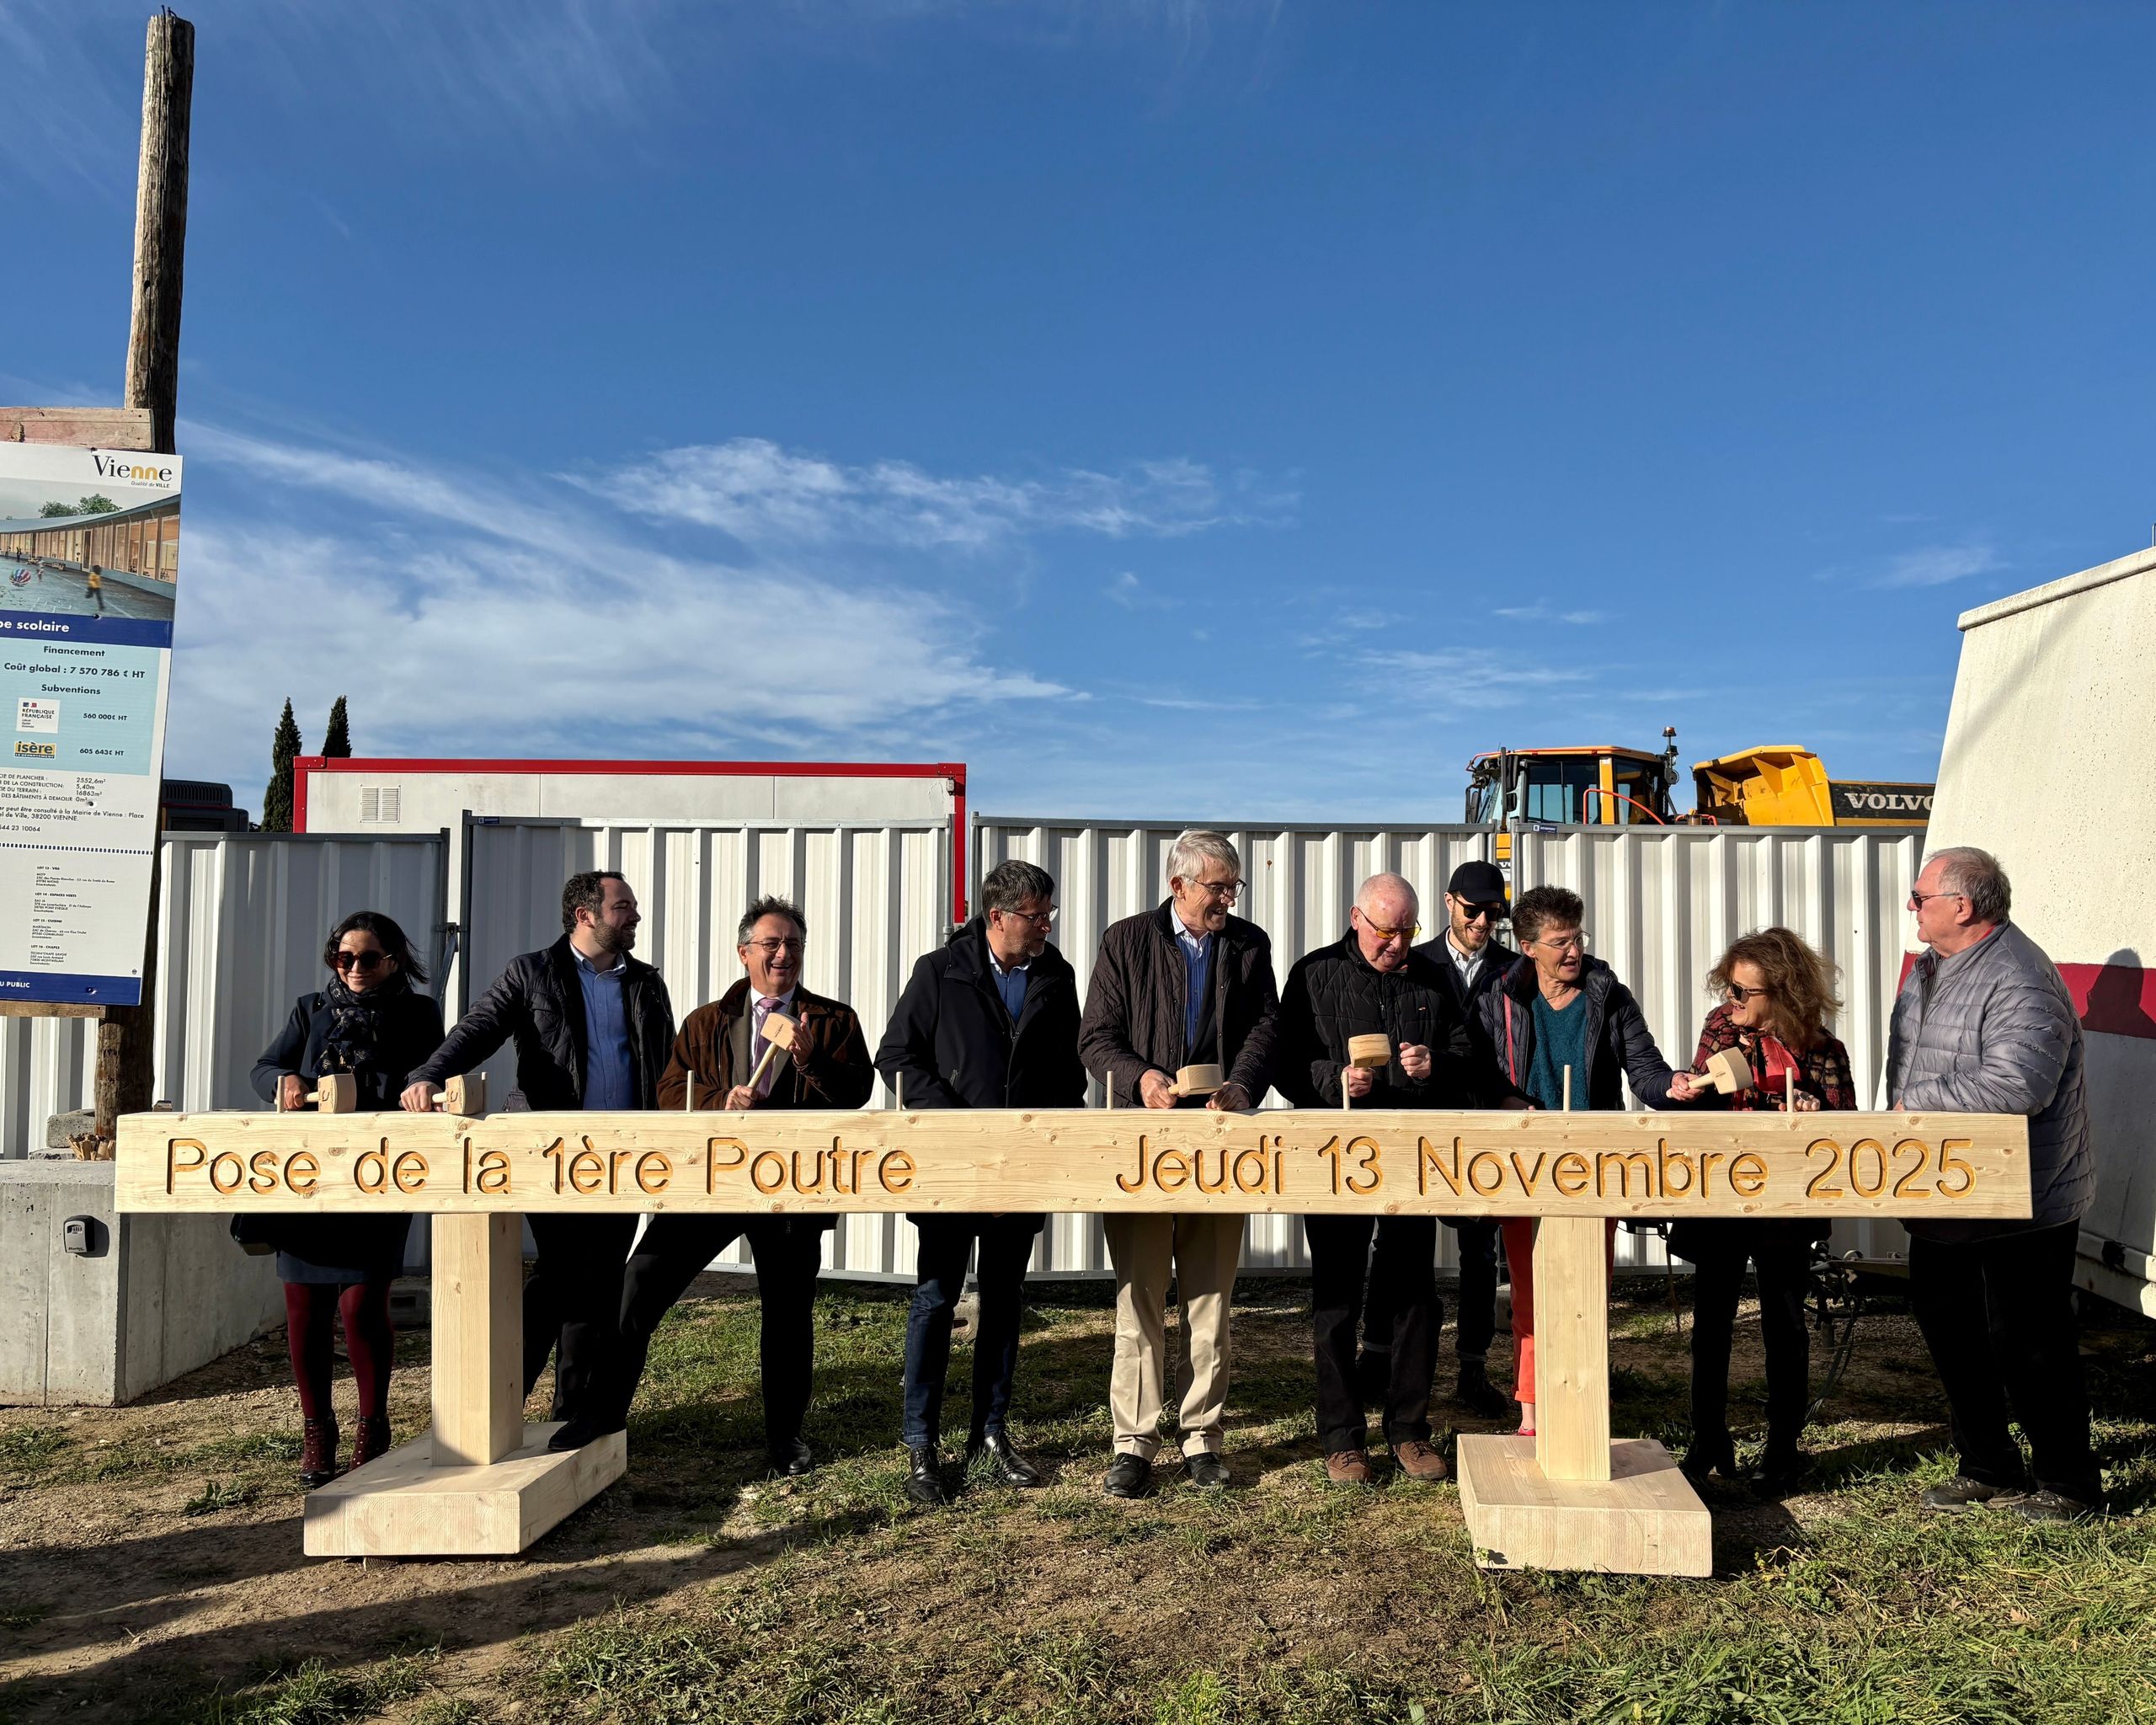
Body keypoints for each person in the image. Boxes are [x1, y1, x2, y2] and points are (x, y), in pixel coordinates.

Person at [403, 870, 675, 1451]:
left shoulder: (647, 983)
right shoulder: (533, 972)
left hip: (622, 1157)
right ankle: (501, 1403)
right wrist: (429, 1074)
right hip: (548, 1154)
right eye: (623, 906)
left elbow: (666, 1068)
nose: (634, 916)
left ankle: (572, 1421)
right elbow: (479, 1029)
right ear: (585, 914)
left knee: (600, 1287)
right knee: (559, 1279)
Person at [615, 895, 876, 1476]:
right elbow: (669, 1091)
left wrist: (810, 1061)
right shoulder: (707, 1020)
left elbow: (857, 1095)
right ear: (744, 953)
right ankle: (605, 1418)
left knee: (787, 1313)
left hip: (790, 1191)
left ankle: (785, 1436)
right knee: (640, 1285)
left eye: (794, 946)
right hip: (711, 1184)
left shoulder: (833, 1021)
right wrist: (719, 1099)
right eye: (772, 944)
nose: (785, 955)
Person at [1278, 873, 1517, 1484]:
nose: (1398, 945)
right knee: (1335, 1300)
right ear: (1357, 919)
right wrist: (1333, 1081)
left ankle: (1410, 1430)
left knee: (1415, 1297)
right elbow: (1282, 1062)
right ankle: (1341, 1438)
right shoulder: (1314, 973)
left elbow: (1473, 1058)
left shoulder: (1432, 978)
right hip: (1337, 1155)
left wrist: (1436, 1063)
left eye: (1407, 931)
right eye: (1387, 932)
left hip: (1412, 1158)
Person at [1888, 846, 2101, 1520]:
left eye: (1920, 896)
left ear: (1963, 906)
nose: (1911, 905)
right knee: (1951, 1330)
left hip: (2025, 1200)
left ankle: (2070, 1485)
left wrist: (1910, 1104)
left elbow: (2019, 1084)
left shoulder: (2020, 978)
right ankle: (1989, 1467)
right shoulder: (1931, 968)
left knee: (2032, 1343)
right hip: (1945, 1191)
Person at [876, 859, 1086, 1504]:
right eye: (1035, 916)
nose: (1046, 926)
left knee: (1003, 1299)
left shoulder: (1056, 975)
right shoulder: (940, 973)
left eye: (1049, 914)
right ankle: (921, 1447)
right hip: (950, 1168)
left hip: (1019, 1169)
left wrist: (1044, 1135)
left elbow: (1065, 1071)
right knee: (936, 1300)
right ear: (997, 917)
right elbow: (897, 1056)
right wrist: (958, 1126)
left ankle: (989, 1434)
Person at [1078, 830, 1279, 1498]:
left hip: (1219, 1141)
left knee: (1211, 1297)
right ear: (1178, 886)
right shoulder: (1125, 940)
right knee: (1137, 1295)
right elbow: (1096, 1037)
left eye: (1233, 886)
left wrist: (1243, 1085)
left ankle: (1203, 1437)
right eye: (1218, 886)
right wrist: (1140, 1079)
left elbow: (1264, 1029)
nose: (1228, 897)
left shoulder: (1249, 945)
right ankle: (1134, 1442)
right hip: (1142, 1142)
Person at [1476, 884, 1682, 1437]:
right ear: (1528, 947)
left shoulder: (1608, 995)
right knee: (1529, 1290)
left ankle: (1583, 1410)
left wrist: (1675, 1086)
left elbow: (1645, 1070)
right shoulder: (1496, 998)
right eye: (1561, 942)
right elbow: (1478, 1073)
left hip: (1595, 1165)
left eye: (1578, 938)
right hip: (1525, 1165)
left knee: (1589, 1291)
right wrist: (1503, 1099)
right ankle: (1533, 1413)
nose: (1574, 951)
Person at [250, 911, 443, 1487]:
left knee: (361, 1306)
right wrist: (283, 1082)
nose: (355, 969)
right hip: (308, 1177)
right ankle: (317, 1430)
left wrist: (425, 1086)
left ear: (393, 960)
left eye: (368, 959)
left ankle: (371, 1425)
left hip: (380, 1172)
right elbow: (265, 1066)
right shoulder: (311, 1009)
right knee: (304, 1311)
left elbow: (437, 1068)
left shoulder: (418, 1012)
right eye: (344, 958)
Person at [1664, 927, 1854, 1491]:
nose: (1732, 1002)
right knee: (1712, 1321)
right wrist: (1690, 1089)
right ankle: (1708, 1439)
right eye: (1729, 987)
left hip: (1783, 1207)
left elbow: (1846, 1129)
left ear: (1782, 993)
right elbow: (1706, 1098)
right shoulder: (1721, 1030)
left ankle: (1781, 1447)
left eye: (1744, 992)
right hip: (1721, 1196)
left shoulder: (1823, 1050)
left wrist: (1815, 1109)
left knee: (1785, 1322)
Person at [1402, 857, 1518, 1419]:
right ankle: (1382, 1360)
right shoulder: (1415, 964)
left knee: (1480, 1250)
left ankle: (1472, 1369)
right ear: (1449, 903)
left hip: (1486, 1123)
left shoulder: (1513, 970)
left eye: (1493, 914)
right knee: (1401, 1246)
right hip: (1425, 1122)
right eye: (1474, 911)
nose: (1482, 923)